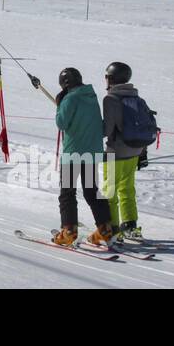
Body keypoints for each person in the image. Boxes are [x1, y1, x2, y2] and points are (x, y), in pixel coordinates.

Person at [49, 67, 114, 247]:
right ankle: (105, 228)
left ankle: (68, 230)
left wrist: (60, 105)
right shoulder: (91, 97)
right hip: (92, 153)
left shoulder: (70, 98)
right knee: (91, 191)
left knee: (67, 193)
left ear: (65, 84)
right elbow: (100, 128)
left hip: (73, 154)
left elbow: (61, 123)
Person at [102, 61, 151, 241]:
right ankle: (130, 225)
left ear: (111, 78)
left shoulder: (111, 99)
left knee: (109, 191)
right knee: (127, 189)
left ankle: (112, 228)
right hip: (135, 151)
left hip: (115, 153)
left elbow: (107, 130)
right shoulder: (137, 98)